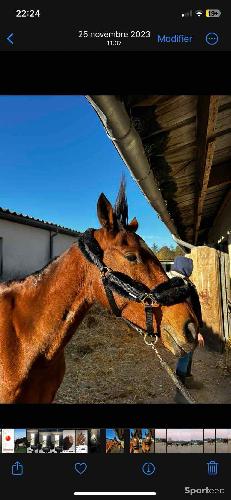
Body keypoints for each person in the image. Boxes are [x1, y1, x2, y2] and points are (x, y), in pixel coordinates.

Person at [167, 256, 204, 390]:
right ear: (185, 268)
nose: (192, 270)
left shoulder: (177, 281)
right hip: (186, 325)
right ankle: (181, 387)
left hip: (183, 323)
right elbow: (187, 310)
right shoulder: (180, 284)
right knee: (186, 352)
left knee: (188, 352)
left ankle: (185, 379)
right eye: (190, 268)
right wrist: (197, 331)